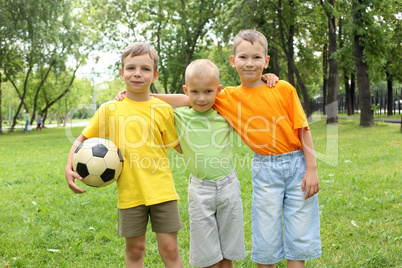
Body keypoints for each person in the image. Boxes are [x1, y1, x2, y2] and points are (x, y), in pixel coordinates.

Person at [142, 30, 321, 268]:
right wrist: (144, 95)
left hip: (297, 165)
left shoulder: (282, 88)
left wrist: (312, 169)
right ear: (233, 61)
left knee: (298, 232)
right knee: (265, 233)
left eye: (257, 58)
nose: (250, 63)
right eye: (243, 57)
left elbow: (303, 129)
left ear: (266, 61)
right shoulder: (226, 97)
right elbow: (188, 98)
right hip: (265, 168)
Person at [65, 42, 183, 268]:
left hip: (163, 191)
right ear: (122, 73)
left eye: (145, 69)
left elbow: (177, 145)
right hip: (130, 193)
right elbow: (81, 140)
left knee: (169, 249)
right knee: (135, 251)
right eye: (131, 68)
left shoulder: (162, 109)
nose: (137, 73)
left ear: (155, 75)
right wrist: (68, 167)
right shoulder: (110, 109)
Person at [174, 59, 245, 268]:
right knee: (207, 256)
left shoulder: (225, 113)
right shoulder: (179, 114)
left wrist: (268, 77)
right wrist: (149, 95)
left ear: (218, 90)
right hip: (200, 190)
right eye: (194, 92)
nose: (201, 98)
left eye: (208, 91)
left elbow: (251, 93)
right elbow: (158, 104)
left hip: (228, 186)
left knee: (227, 253)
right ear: (186, 90)